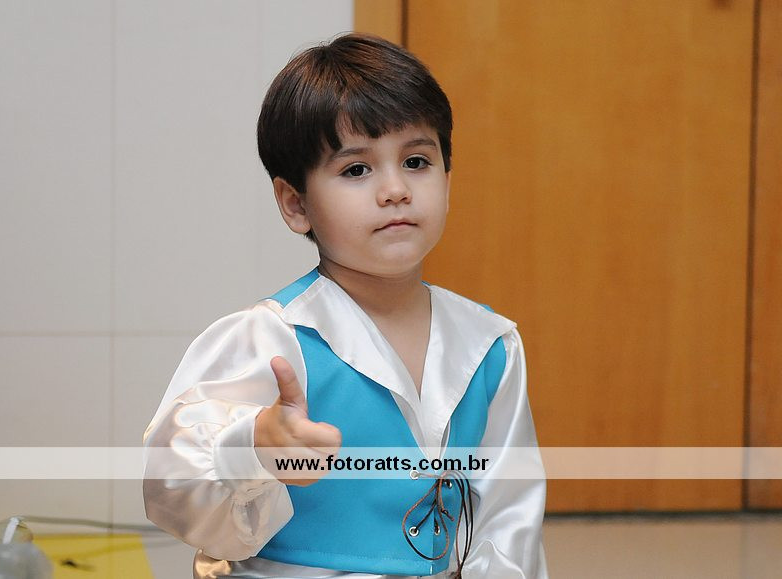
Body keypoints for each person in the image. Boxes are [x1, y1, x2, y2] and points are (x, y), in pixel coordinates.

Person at [143, 33, 547, 578]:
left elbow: (509, 515)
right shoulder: (270, 339)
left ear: (448, 179)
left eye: (417, 161)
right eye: (357, 170)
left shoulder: (491, 345)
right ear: (296, 204)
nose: (395, 189)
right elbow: (173, 481)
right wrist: (254, 446)